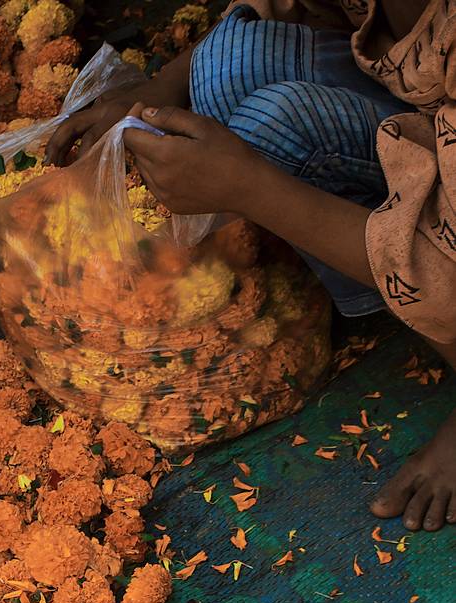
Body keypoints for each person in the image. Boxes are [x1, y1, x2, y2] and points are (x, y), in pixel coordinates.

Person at [49, 0, 456, 535]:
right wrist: (157, 94)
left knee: (269, 132)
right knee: (227, 60)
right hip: (427, 116)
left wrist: (252, 188)